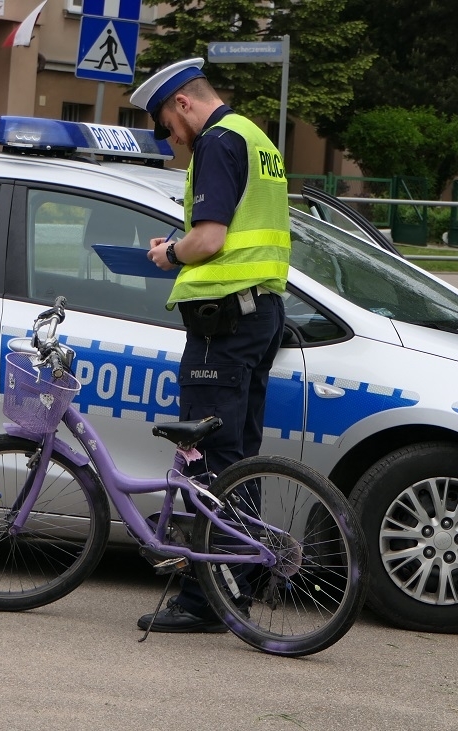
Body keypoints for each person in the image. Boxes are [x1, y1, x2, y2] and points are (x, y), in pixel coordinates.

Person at [128, 58, 291, 632]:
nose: (172, 139)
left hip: (223, 326)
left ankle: (207, 600)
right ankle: (239, 582)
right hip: (259, 314)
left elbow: (211, 239)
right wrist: (185, 244)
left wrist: (169, 254)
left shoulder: (217, 142)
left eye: (168, 126)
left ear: (183, 104)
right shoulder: (255, 137)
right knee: (237, 460)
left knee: (206, 460)